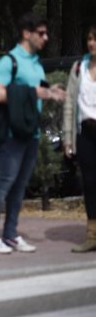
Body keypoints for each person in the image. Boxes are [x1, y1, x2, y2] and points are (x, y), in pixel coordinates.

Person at [0, 12, 65, 254]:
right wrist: (35, 92)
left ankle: (10, 234)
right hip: (11, 131)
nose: (45, 37)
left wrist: (52, 93)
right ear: (26, 33)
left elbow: (36, 92)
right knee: (5, 181)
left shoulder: (36, 63)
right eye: (41, 33)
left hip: (31, 132)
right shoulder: (9, 61)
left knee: (20, 186)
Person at [63, 26, 96, 253]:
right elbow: (68, 105)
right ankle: (92, 235)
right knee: (90, 184)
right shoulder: (79, 68)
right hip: (85, 132)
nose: (92, 43)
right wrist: (68, 139)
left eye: (95, 39)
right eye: (90, 39)